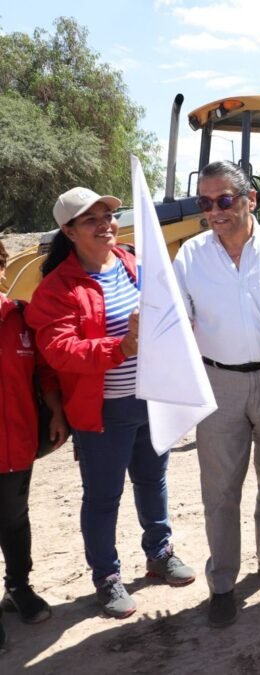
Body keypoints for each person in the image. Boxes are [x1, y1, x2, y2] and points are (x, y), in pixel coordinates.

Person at [27, 187, 197, 619]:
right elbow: (60, 351)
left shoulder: (130, 262)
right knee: (104, 496)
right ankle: (106, 576)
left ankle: (159, 554)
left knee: (152, 481)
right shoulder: (56, 289)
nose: (106, 224)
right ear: (68, 230)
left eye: (109, 215)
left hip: (149, 399)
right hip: (101, 410)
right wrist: (122, 348)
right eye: (91, 220)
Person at [173, 161, 260, 628]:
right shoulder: (189, 257)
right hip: (218, 383)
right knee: (220, 488)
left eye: (224, 200)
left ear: (249, 199)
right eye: (205, 203)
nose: (214, 211)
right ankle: (224, 583)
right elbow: (173, 324)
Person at [0, 241, 67, 648]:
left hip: (16, 442)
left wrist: (57, 413)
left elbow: (44, 372)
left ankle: (17, 587)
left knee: (13, 518)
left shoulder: (20, 318)